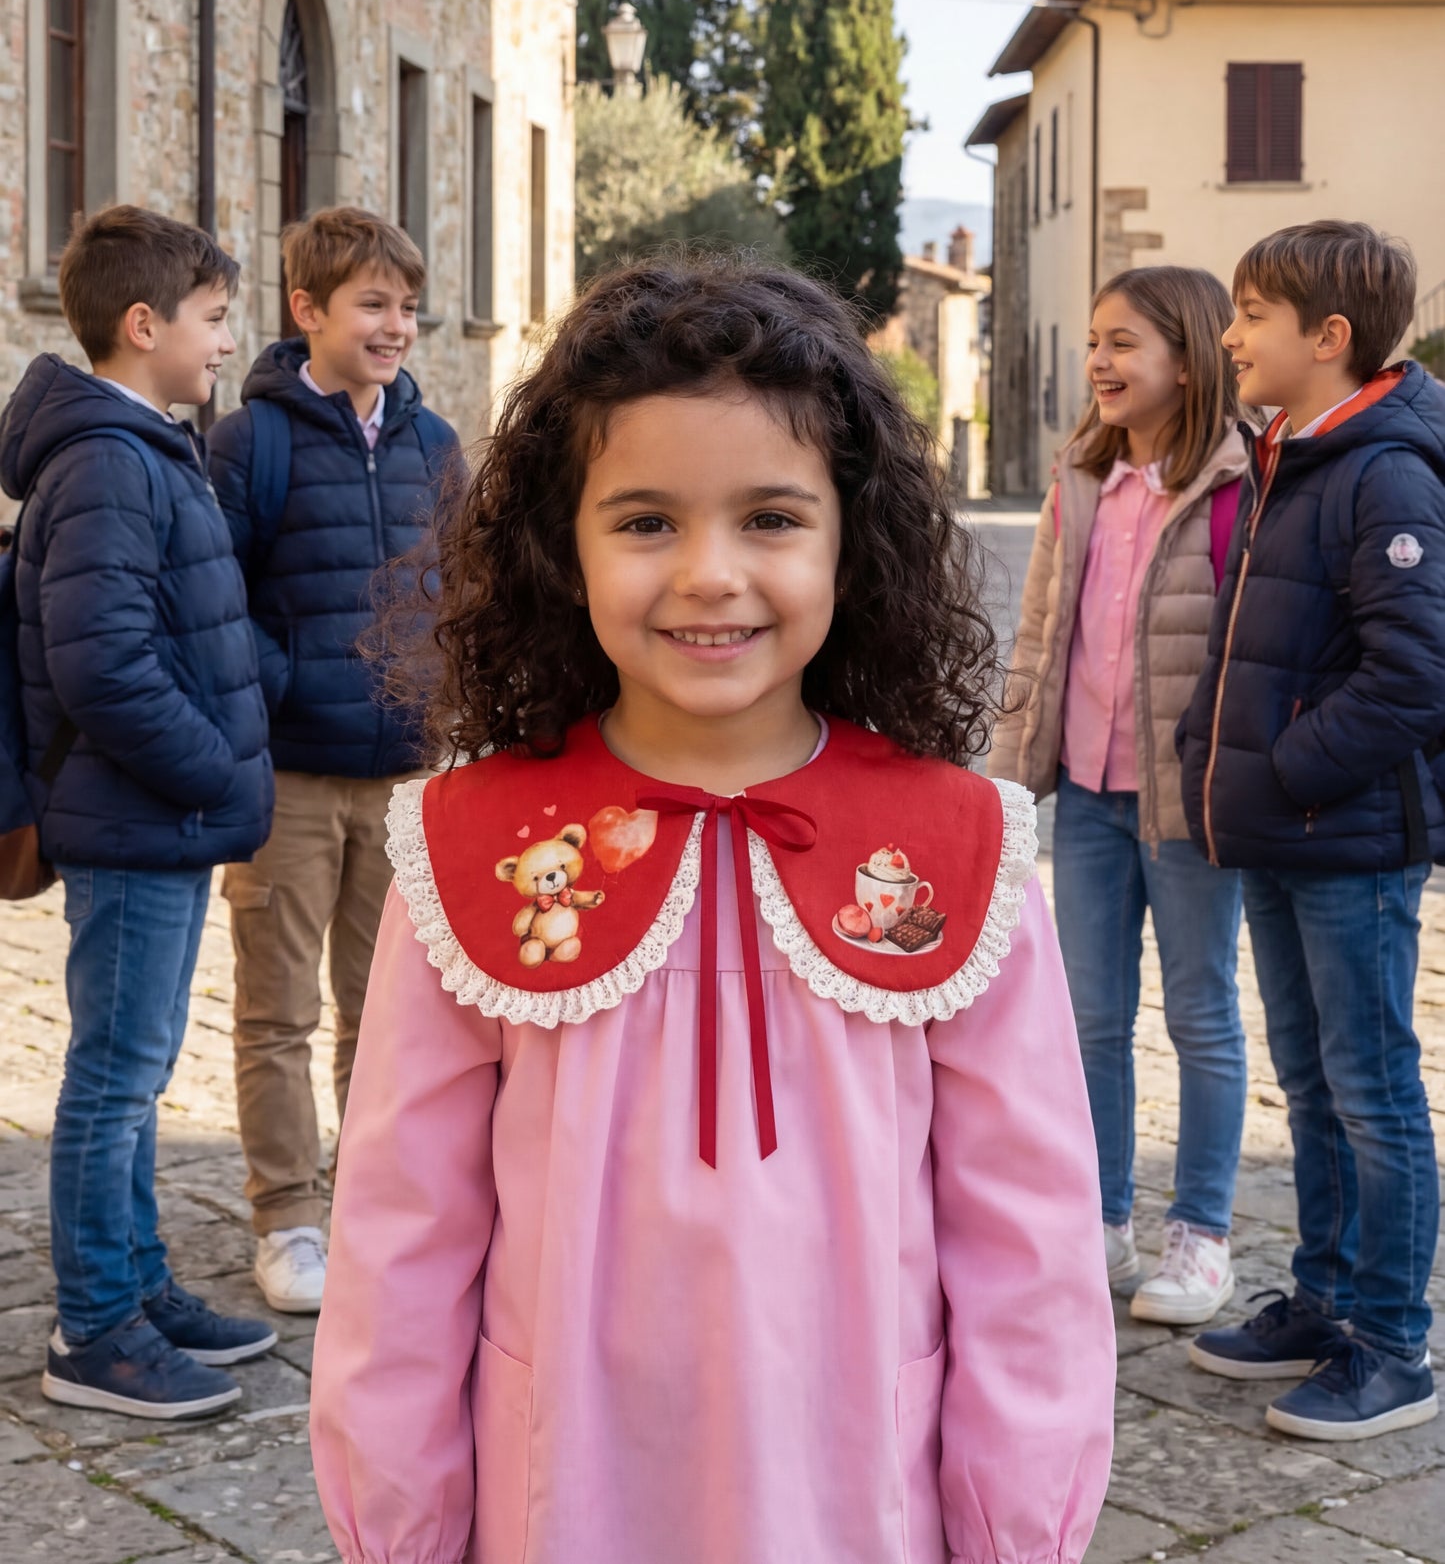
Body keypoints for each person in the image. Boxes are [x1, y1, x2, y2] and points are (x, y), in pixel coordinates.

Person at [309, 253, 1115, 1564]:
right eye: (644, 521)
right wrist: (401, 1518)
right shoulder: (471, 852)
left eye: (770, 517)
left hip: (857, 1491)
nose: (708, 573)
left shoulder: (956, 846)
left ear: (852, 538)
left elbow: (1027, 1242)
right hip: (562, 1489)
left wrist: (1015, 1521)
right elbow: (401, 1231)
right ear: (559, 545)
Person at [0, 207, 275, 1420]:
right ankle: (95, 1330)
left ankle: (141, 1287)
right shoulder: (112, 458)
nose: (227, 342)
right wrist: (215, 769)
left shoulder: (143, 444)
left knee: (140, 1070)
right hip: (136, 815)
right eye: (214, 319)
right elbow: (103, 665)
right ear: (144, 322)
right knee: (113, 1078)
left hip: (153, 815)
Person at [1180, 220, 1444, 1441]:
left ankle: (1392, 1346)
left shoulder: (1385, 473)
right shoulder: (1287, 455)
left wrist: (1284, 770)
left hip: (1345, 842)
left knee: (1372, 1089)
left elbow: (1412, 677)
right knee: (1312, 1082)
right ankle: (1325, 1304)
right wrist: (1208, 756)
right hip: (1283, 836)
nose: (1228, 336)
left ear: (1325, 338)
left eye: (1249, 314)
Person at [207, 207, 458, 1316]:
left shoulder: (435, 443)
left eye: (405, 306)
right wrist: (286, 680)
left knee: (390, 1009)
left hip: (406, 776)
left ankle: (371, 1203)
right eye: (372, 305)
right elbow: (215, 598)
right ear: (307, 310)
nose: (395, 326)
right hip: (293, 775)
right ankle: (286, 1218)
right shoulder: (248, 442)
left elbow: (462, 590)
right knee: (277, 1014)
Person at [990, 267, 1251, 1327]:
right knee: (1087, 1017)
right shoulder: (1078, 484)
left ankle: (1199, 1236)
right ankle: (1097, 1220)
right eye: (1092, 342)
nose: (1096, 361)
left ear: (1183, 361)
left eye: (1120, 344)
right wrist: (1009, 781)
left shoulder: (1238, 487)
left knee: (1199, 1016)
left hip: (1185, 804)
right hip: (1087, 797)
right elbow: (1037, 640)